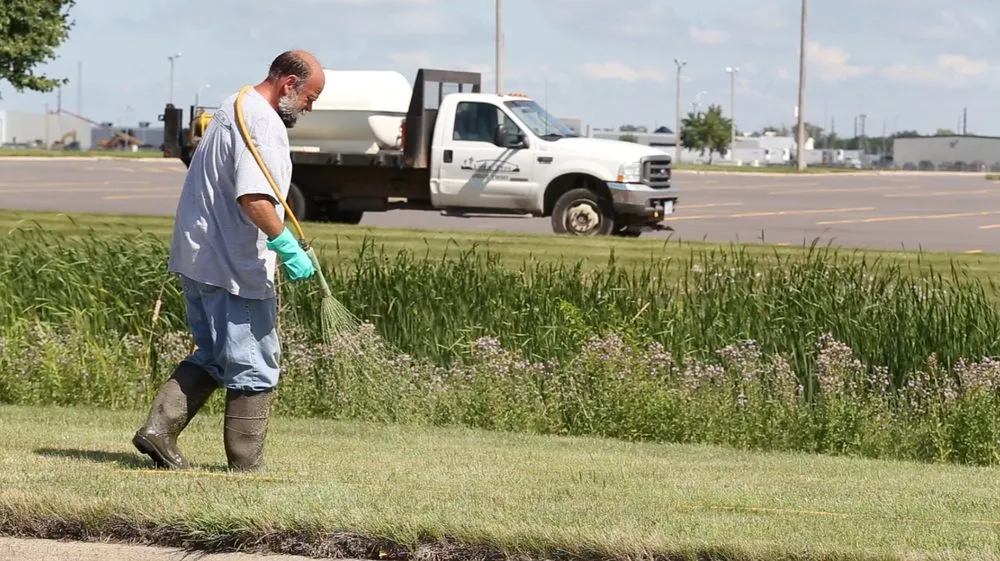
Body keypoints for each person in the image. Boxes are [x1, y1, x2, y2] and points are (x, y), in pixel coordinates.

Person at [132, 50, 326, 472]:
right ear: (288, 84)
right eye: (310, 97)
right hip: (233, 265)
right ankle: (246, 467)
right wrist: (286, 246)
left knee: (218, 353)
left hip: (197, 255)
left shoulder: (232, 105)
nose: (310, 108)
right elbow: (254, 197)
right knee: (256, 363)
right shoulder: (266, 123)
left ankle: (158, 431)